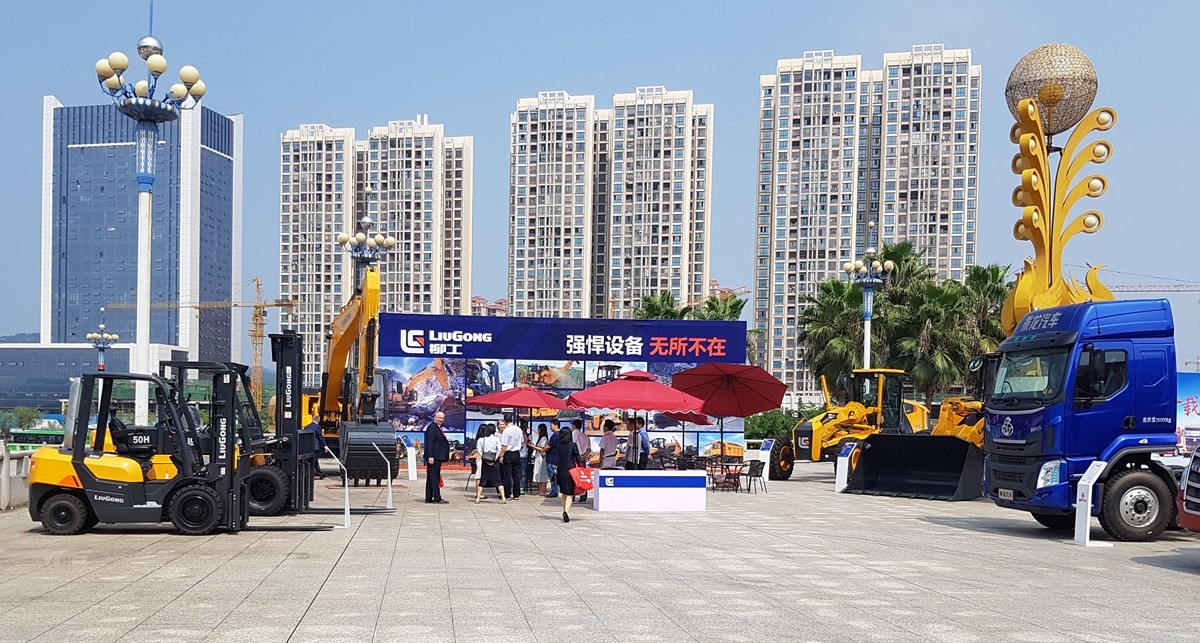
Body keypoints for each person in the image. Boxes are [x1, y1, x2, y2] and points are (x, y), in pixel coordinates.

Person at [555, 422, 585, 523]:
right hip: (571, 471)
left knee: (563, 492)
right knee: (570, 493)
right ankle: (566, 511)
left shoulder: (559, 445)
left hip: (560, 470)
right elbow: (577, 458)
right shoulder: (573, 445)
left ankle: (564, 510)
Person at [475, 424, 505, 504]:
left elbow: (478, 449)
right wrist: (495, 458)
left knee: (482, 480)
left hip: (485, 460)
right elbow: (499, 449)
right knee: (498, 480)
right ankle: (503, 498)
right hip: (494, 460)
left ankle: (478, 498)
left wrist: (483, 457)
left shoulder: (481, 440)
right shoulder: (496, 439)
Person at [424, 411, 450, 504]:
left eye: (442, 418)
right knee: (434, 477)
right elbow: (430, 443)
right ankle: (437, 498)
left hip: (437, 457)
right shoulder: (432, 427)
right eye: (439, 418)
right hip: (434, 457)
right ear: (435, 417)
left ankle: (429, 497)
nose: (441, 420)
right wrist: (430, 456)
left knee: (431, 477)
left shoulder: (437, 427)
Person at [498, 416, 524, 500]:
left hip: (508, 453)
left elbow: (504, 445)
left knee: (507, 475)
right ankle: (516, 494)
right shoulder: (519, 429)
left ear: (505, 421)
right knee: (516, 474)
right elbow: (522, 441)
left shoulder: (506, 430)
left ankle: (508, 494)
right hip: (517, 453)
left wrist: (502, 455)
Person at [571, 418, 592, 502]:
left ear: (574, 426)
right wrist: (584, 456)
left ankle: (572, 496)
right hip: (583, 459)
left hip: (574, 459)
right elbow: (589, 449)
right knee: (583, 477)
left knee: (573, 477)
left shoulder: (573, 434)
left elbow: (572, 447)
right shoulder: (585, 436)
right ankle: (583, 497)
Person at [545, 419, 562, 498]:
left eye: (551, 425)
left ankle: (554, 491)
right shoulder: (561, 435)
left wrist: (542, 450)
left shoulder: (555, 435)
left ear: (556, 425)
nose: (550, 427)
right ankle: (555, 490)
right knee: (554, 475)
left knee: (553, 476)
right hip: (557, 458)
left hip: (552, 459)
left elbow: (548, 446)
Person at [532, 423, 550, 496]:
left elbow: (542, 449)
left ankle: (543, 490)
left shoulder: (544, 438)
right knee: (538, 473)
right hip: (538, 457)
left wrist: (533, 446)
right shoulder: (541, 438)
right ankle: (540, 490)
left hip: (541, 457)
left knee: (542, 473)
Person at [519, 420, 532, 495]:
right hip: (517, 455)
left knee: (523, 473)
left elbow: (527, 442)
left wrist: (524, 433)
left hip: (524, 456)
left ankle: (522, 487)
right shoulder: (517, 435)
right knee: (517, 473)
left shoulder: (529, 435)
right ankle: (516, 487)